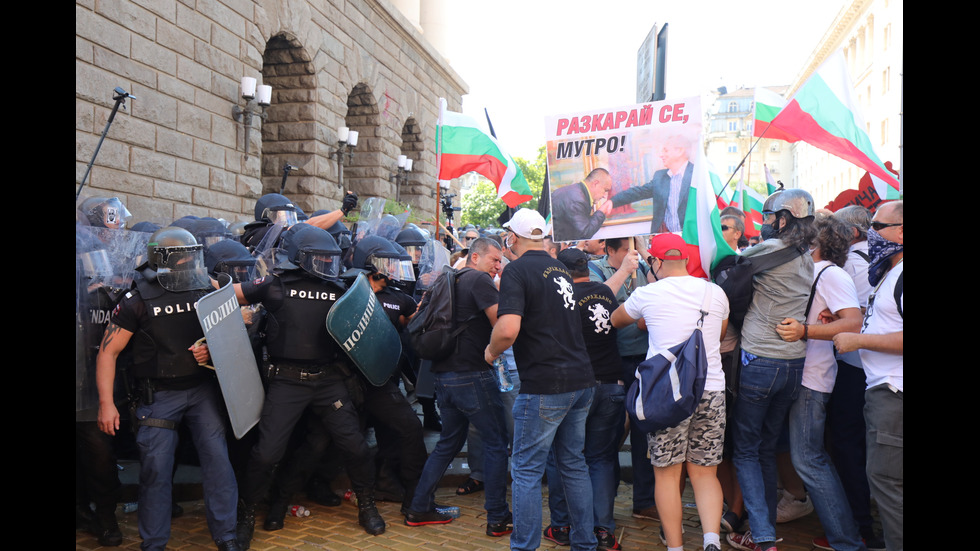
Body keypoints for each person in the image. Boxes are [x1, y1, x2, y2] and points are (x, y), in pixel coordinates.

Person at [233, 223, 386, 548]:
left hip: (328, 379)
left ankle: (367, 505)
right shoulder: (274, 285)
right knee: (266, 454)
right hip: (287, 380)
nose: (326, 264)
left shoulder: (341, 286)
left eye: (329, 258)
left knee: (355, 446)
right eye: (319, 258)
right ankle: (245, 514)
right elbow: (228, 297)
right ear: (301, 257)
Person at [96, 227, 240, 551]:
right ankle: (154, 542)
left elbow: (229, 334)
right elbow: (108, 351)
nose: (191, 260)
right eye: (185, 256)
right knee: (155, 470)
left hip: (201, 389)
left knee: (218, 461)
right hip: (158, 394)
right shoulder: (137, 300)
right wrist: (107, 403)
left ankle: (227, 536)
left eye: (193, 254)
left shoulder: (206, 287)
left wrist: (210, 348)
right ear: (166, 260)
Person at [484, 208, 597, 551]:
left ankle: (524, 546)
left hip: (546, 384)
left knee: (527, 471)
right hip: (580, 379)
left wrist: (490, 352)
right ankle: (584, 543)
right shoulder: (560, 268)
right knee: (574, 465)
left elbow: (507, 329)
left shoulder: (516, 270)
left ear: (513, 238)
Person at [612, 233, 730, 551]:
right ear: (687, 260)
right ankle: (711, 541)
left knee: (666, 474)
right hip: (711, 390)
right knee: (706, 473)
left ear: (658, 261)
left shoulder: (648, 294)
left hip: (667, 395)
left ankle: (675, 547)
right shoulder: (715, 293)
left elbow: (616, 319)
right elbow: (717, 335)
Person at [726, 189, 816, 551]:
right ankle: (759, 531)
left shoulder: (769, 249)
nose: (762, 224)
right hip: (793, 364)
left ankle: (762, 537)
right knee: (763, 448)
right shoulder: (806, 254)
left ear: (783, 219)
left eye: (767, 217)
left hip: (760, 361)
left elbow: (725, 261)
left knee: (746, 450)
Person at [406, 237, 513, 537]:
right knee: (495, 443)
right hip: (473, 375)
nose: (498, 265)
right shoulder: (479, 280)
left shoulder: (445, 278)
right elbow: (500, 324)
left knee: (448, 444)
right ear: (475, 257)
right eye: (494, 259)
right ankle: (498, 517)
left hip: (444, 375)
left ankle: (419, 507)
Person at [774, 216, 867, 551]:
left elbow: (853, 323)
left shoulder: (832, 273)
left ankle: (846, 540)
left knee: (809, 458)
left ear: (817, 241)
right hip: (797, 374)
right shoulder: (812, 271)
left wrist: (805, 331)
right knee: (804, 455)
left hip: (813, 378)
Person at [543, 247, 627, 551]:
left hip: (577, 387)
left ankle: (563, 525)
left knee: (563, 458)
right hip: (612, 384)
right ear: (586, 267)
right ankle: (603, 531)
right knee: (601, 458)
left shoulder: (561, 299)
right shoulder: (604, 292)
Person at [833, 200, 903, 551]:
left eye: (879, 225)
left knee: (888, 484)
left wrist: (857, 339)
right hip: (883, 391)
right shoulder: (889, 271)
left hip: (894, 393)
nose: (871, 232)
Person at [610, 135, 694, 233]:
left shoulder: (698, 176)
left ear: (679, 151)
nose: (661, 155)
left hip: (692, 241)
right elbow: (638, 192)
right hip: (667, 241)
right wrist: (612, 202)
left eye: (666, 151)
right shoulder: (660, 177)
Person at [551, 168, 614, 241]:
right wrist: (601, 211)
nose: (605, 196)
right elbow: (585, 233)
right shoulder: (578, 200)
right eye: (605, 190)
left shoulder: (575, 192)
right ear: (595, 184)